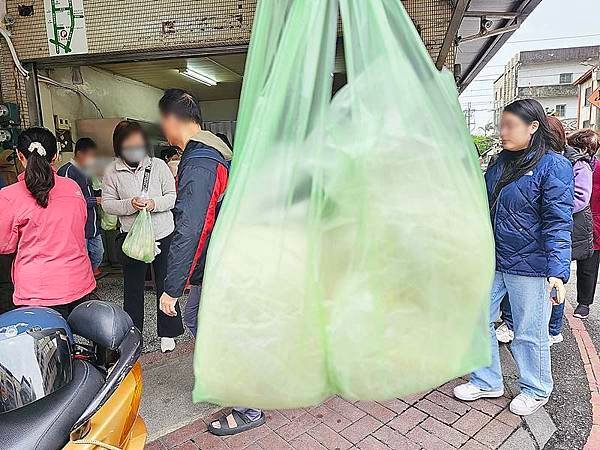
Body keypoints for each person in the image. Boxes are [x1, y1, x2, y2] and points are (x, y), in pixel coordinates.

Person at [453, 99, 574, 416]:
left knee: (528, 332)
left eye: (509, 126)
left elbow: (558, 223)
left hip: (531, 268)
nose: (502, 132)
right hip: (494, 261)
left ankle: (536, 389)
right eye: (500, 125)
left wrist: (558, 273)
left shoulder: (554, 166)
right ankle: (487, 381)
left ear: (533, 127)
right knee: (476, 319)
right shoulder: (501, 162)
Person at [156, 89, 264, 435]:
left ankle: (249, 405)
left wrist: (172, 287)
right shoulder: (218, 150)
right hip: (231, 257)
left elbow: (193, 226)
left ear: (171, 120)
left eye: (162, 121)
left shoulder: (201, 160)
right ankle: (233, 381)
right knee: (204, 321)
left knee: (216, 329)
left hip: (222, 262)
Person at [496, 117, 593, 345]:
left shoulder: (571, 163)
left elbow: (577, 199)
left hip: (566, 230)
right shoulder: (522, 162)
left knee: (554, 283)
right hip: (530, 237)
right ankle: (515, 325)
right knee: (533, 287)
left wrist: (543, 207)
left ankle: (553, 329)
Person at [102, 120, 184, 352]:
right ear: (119, 147)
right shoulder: (112, 172)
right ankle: (133, 335)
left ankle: (168, 332)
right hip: (133, 238)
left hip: (162, 232)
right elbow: (108, 204)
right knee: (133, 288)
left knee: (165, 283)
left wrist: (153, 203)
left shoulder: (158, 166)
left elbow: (172, 196)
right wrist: (130, 204)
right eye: (129, 145)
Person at [0, 127, 96, 318]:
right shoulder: (73, 187)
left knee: (48, 346)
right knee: (80, 344)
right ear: (56, 156)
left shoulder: (9, 196)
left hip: (38, 291)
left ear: (20, 156)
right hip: (79, 281)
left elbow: (5, 246)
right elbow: (81, 225)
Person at [57, 137, 104, 276]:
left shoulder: (86, 171)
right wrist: (94, 200)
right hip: (77, 227)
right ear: (79, 154)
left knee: (98, 253)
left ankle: (87, 277)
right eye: (91, 156)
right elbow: (67, 201)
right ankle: (84, 281)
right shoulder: (67, 171)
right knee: (80, 257)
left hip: (92, 224)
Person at [570, 129, 600, 318]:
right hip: (574, 218)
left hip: (594, 221)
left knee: (589, 264)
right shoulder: (570, 164)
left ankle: (584, 302)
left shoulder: (596, 168)